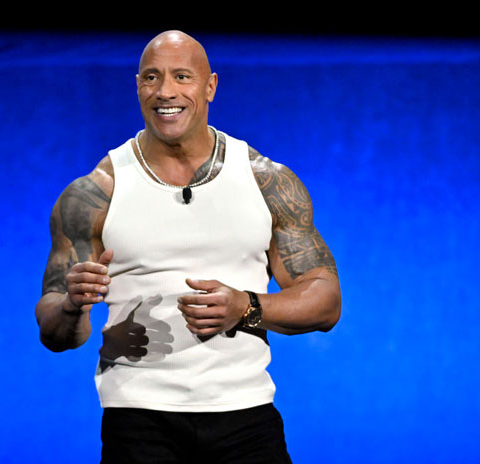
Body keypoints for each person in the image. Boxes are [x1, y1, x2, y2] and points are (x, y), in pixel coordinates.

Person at [35, 30, 341, 463]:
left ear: (210, 86)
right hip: (137, 422)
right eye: (151, 78)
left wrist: (246, 306)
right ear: (137, 86)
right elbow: (54, 330)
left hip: (245, 418)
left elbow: (325, 301)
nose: (166, 92)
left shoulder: (265, 181)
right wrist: (71, 306)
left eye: (182, 77)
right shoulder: (93, 194)